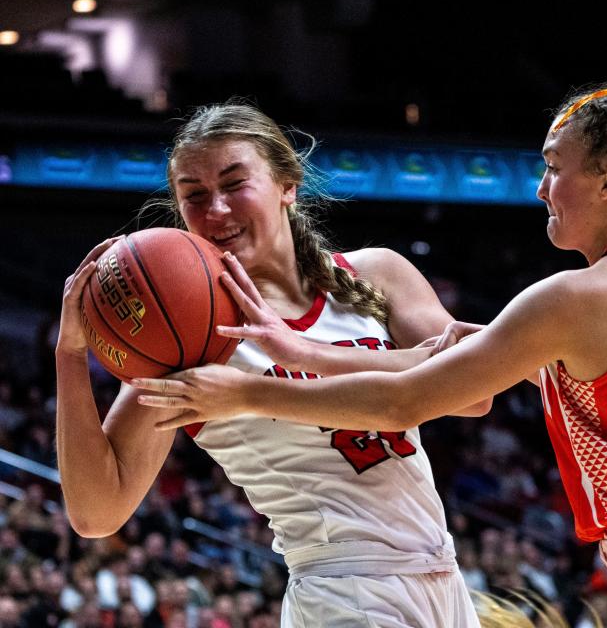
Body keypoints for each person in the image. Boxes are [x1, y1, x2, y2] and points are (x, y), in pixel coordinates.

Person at [134, 0, 607, 627]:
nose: (540, 187)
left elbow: (411, 398)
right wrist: (305, 350)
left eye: (552, 167)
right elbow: (466, 351)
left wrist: (248, 390)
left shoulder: (573, 299)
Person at [56, 103, 489, 627]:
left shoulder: (376, 271)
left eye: (235, 184)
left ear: (288, 183)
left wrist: (306, 356)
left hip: (442, 574)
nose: (215, 209)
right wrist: (71, 354)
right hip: (342, 589)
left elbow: (473, 394)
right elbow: (96, 513)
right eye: (194, 195)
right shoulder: (189, 338)